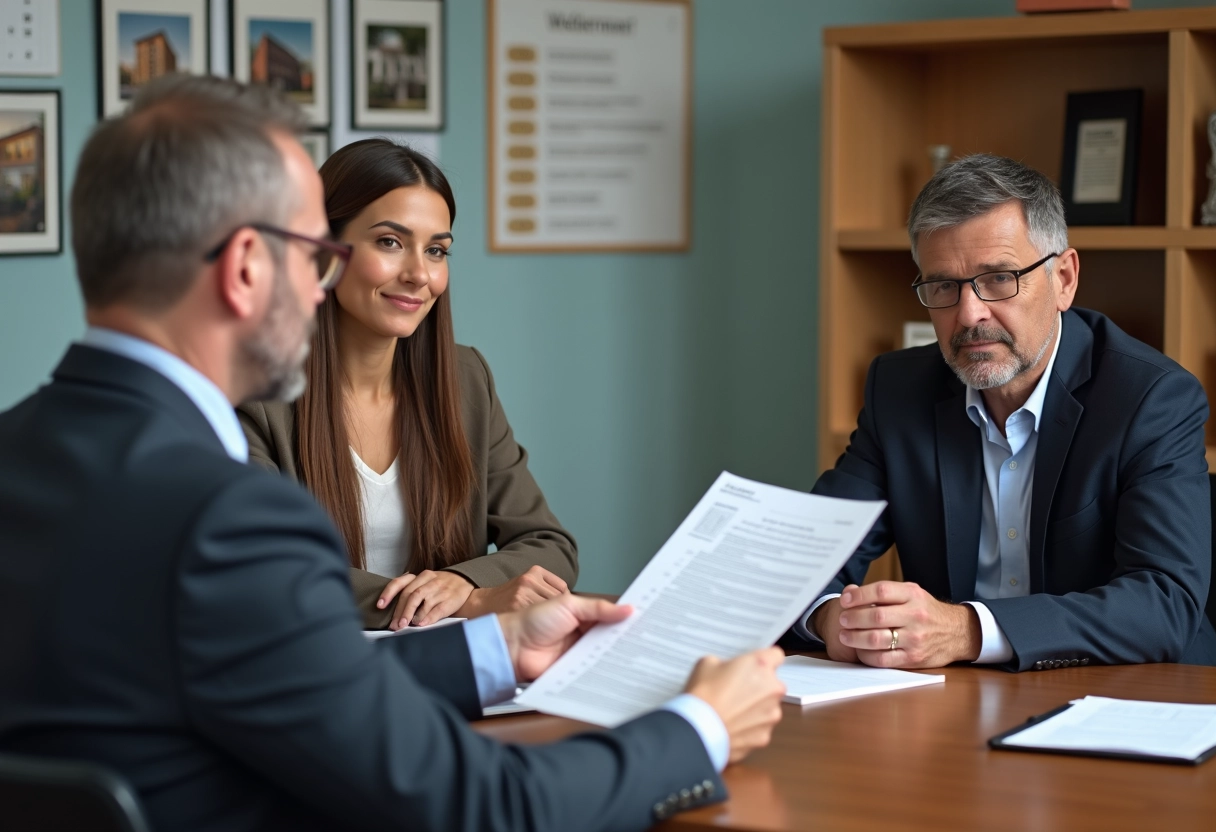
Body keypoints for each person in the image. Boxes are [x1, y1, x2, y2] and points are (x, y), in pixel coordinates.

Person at [0, 75, 786, 832]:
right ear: (246, 269)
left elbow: (277, 680)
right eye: (312, 254)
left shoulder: (20, 453)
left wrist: (495, 647)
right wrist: (699, 728)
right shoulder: (227, 517)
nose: (320, 285)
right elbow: (486, 806)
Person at [794, 154, 1216, 672]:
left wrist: (968, 630)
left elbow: (1165, 603)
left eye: (998, 279)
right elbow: (803, 559)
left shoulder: (1150, 398)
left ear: (1064, 278)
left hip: (1128, 697)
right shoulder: (899, 391)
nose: (969, 314)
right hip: (956, 704)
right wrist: (831, 618)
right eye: (943, 287)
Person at [239, 139, 575, 631]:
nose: (420, 274)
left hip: (452, 672)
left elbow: (549, 545)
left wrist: (464, 580)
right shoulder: (250, 393)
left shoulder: (466, 381)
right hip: (304, 670)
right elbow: (267, 566)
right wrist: (462, 602)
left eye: (437, 250)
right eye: (390, 242)